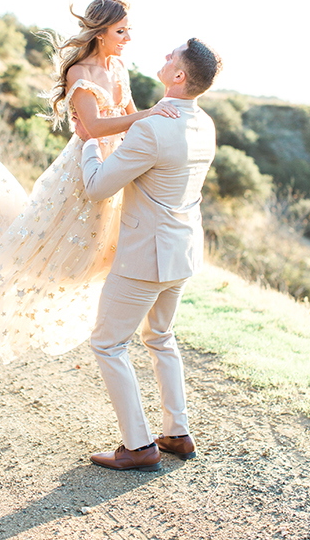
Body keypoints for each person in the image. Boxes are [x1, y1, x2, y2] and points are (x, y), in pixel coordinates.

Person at [0, 0, 179, 364]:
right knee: (60, 248)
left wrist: (151, 129)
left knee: (103, 249)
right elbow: (92, 127)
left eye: (128, 30)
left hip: (118, 163)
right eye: (121, 31)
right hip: (83, 166)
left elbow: (131, 114)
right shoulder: (80, 72)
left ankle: (120, 321)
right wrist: (147, 117)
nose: (127, 38)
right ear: (100, 31)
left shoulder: (119, 65)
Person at [81, 37, 222, 471]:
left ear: (179, 76)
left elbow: (97, 186)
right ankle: (176, 433)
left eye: (170, 57)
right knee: (160, 337)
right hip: (182, 251)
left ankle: (138, 446)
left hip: (145, 256)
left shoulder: (152, 128)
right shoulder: (206, 125)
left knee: (107, 343)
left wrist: (88, 143)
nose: (162, 58)